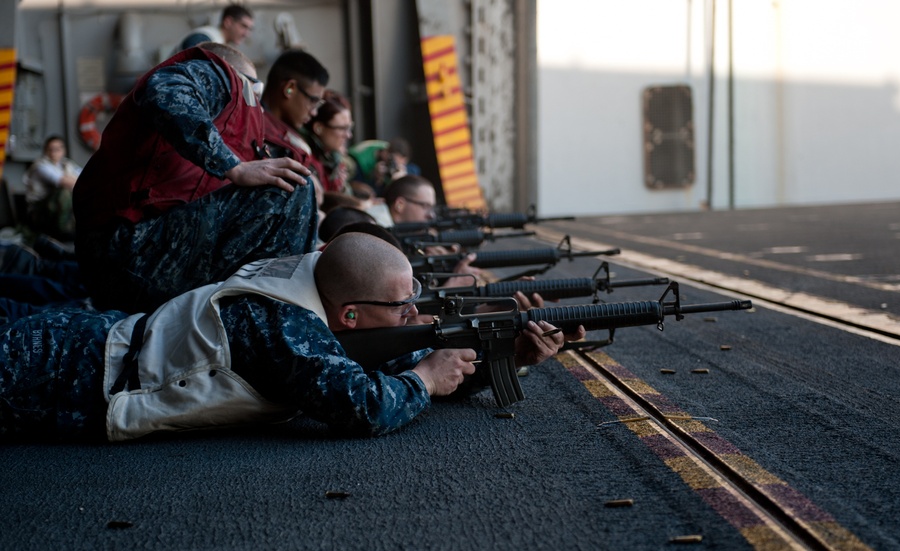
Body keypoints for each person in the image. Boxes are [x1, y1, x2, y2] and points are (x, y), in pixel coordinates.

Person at [0, 232, 577, 442]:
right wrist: (425, 377)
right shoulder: (288, 329)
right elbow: (366, 406)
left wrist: (513, 354)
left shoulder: (310, 273)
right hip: (62, 371)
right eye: (401, 305)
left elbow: (409, 359)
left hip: (90, 340)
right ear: (348, 315)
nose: (413, 315)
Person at [72, 42, 317, 314]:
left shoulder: (228, 127)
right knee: (291, 189)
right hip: (129, 251)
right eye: (253, 91)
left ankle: (256, 316)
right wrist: (233, 166)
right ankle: (270, 320)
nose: (254, 103)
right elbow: (166, 89)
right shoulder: (220, 75)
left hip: (121, 261)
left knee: (287, 182)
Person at [259, 49, 331, 228]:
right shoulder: (258, 130)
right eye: (313, 101)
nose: (314, 112)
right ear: (289, 88)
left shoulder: (286, 131)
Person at [23, 136, 82, 241]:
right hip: (39, 211)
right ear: (45, 150)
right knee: (64, 192)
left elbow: (86, 177)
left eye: (57, 149)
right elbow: (64, 182)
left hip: (56, 210)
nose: (54, 152)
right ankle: (61, 232)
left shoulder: (66, 164)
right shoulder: (40, 166)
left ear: (63, 150)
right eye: (50, 149)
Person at [178, 4, 254, 51]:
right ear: (228, 22)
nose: (246, 34)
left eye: (249, 29)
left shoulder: (217, 43)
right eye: (243, 26)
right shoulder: (204, 37)